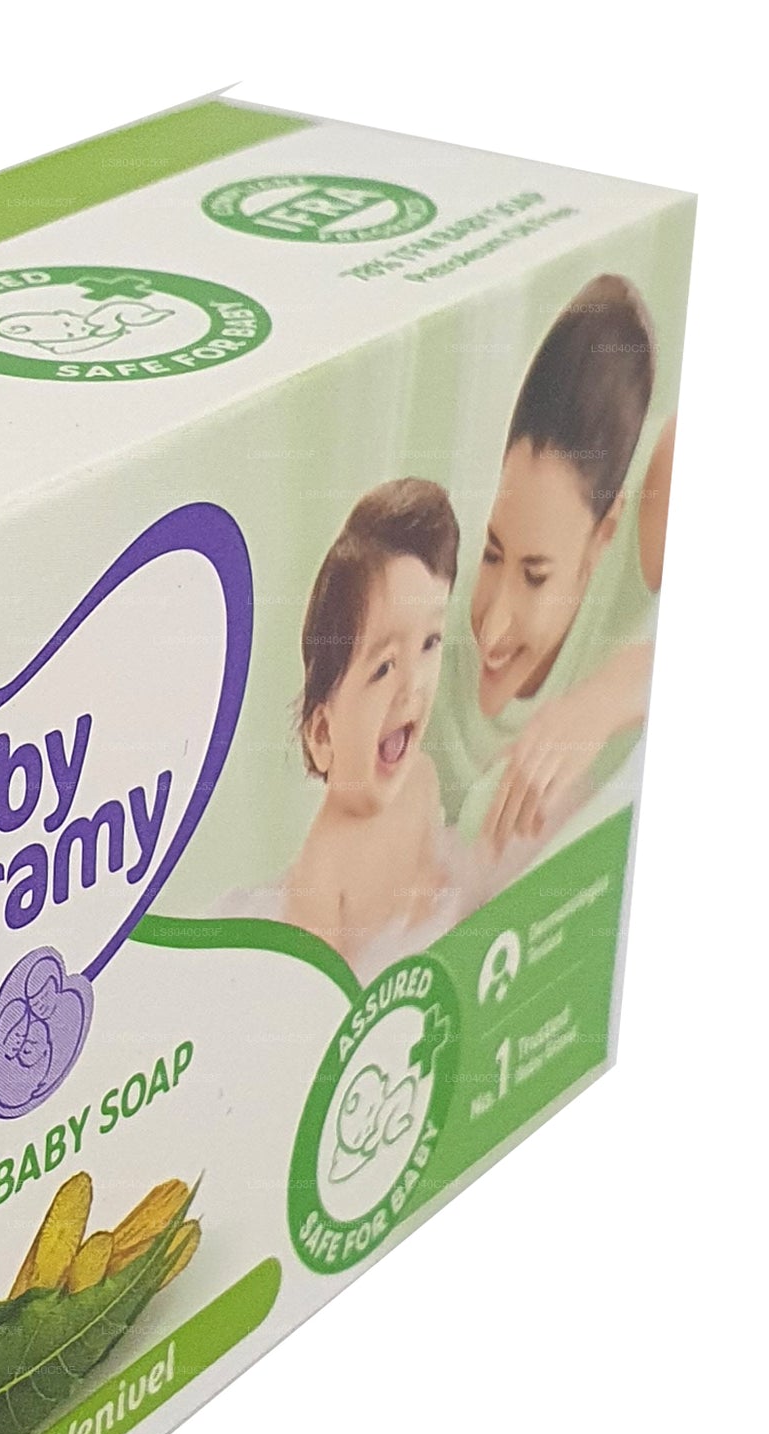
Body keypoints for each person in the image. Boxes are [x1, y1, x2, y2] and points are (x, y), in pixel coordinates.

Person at [433, 274, 664, 858]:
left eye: (536, 576)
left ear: (603, 536)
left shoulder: (640, 539)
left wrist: (600, 702)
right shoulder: (431, 634)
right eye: (493, 554)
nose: (493, 628)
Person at [283, 479, 463, 970]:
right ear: (323, 734)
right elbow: (319, 997)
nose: (412, 686)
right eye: (383, 667)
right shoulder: (320, 879)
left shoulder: (421, 781)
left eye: (429, 643)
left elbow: (436, 894)